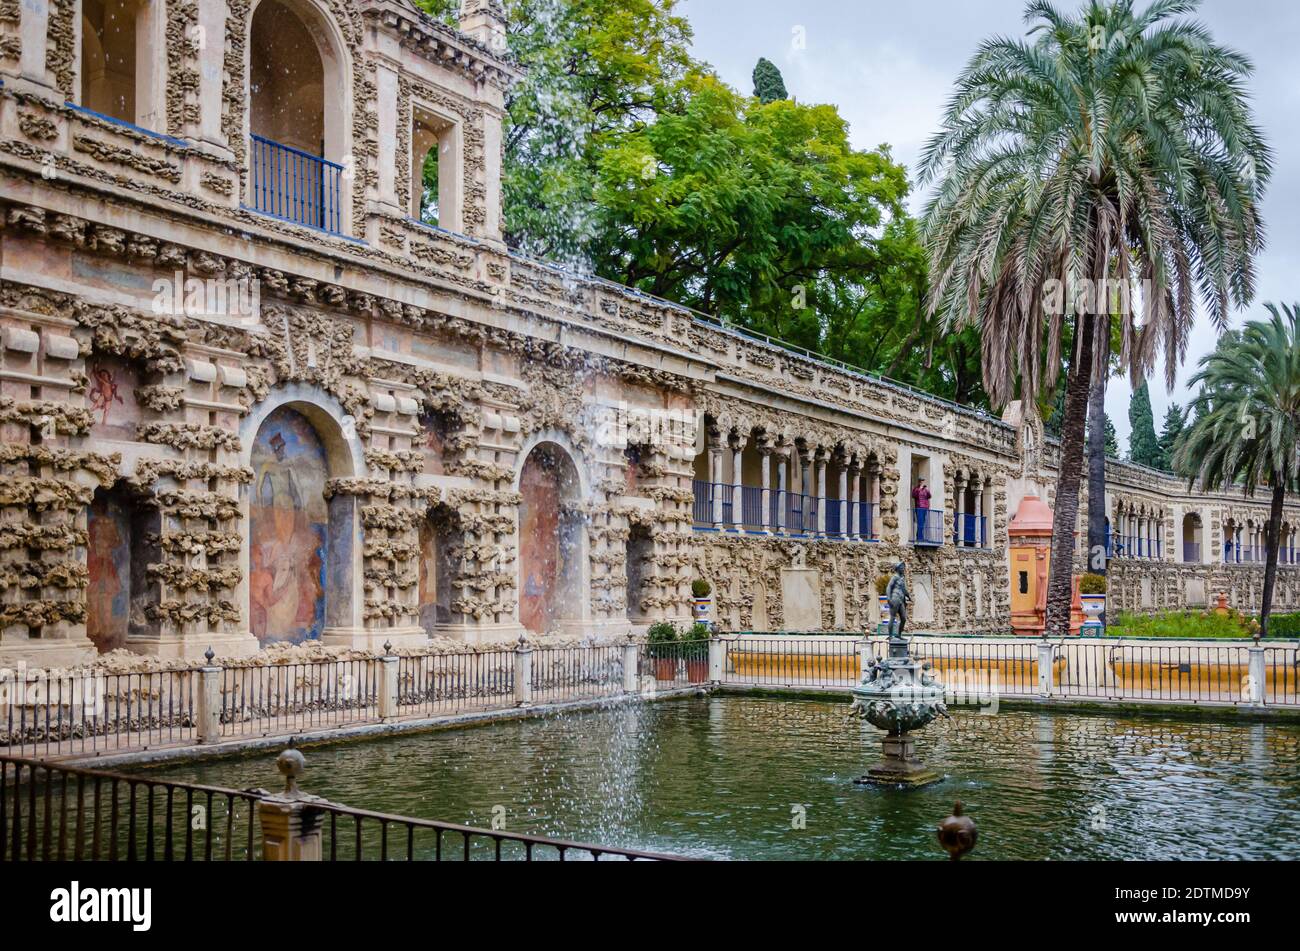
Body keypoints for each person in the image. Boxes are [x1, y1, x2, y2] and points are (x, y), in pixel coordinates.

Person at [885, 562, 911, 638]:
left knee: (903, 618)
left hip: (901, 600)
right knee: (892, 617)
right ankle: (890, 635)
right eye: (901, 568)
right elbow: (889, 587)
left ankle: (899, 635)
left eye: (903, 568)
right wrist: (888, 597)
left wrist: (909, 596)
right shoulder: (895, 577)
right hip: (895, 598)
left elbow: (904, 590)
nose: (903, 569)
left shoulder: (902, 578)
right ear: (898, 569)